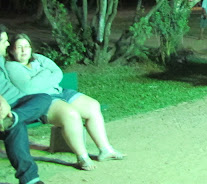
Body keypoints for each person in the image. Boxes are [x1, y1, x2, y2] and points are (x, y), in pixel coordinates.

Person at [6, 33, 124, 170]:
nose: (23, 50)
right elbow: (29, 88)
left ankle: (105, 150)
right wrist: (45, 73)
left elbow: (58, 73)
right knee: (71, 114)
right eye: (19, 47)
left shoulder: (38, 58)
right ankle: (82, 157)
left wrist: (38, 78)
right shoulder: (12, 66)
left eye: (26, 46)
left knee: (93, 106)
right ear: (11, 50)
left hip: (60, 92)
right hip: (41, 100)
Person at [0, 25, 51, 184]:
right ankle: (30, 179)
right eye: (3, 41)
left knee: (44, 98)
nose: (7, 45)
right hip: (4, 106)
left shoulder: (2, 57)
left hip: (16, 104)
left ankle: (14, 118)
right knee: (16, 126)